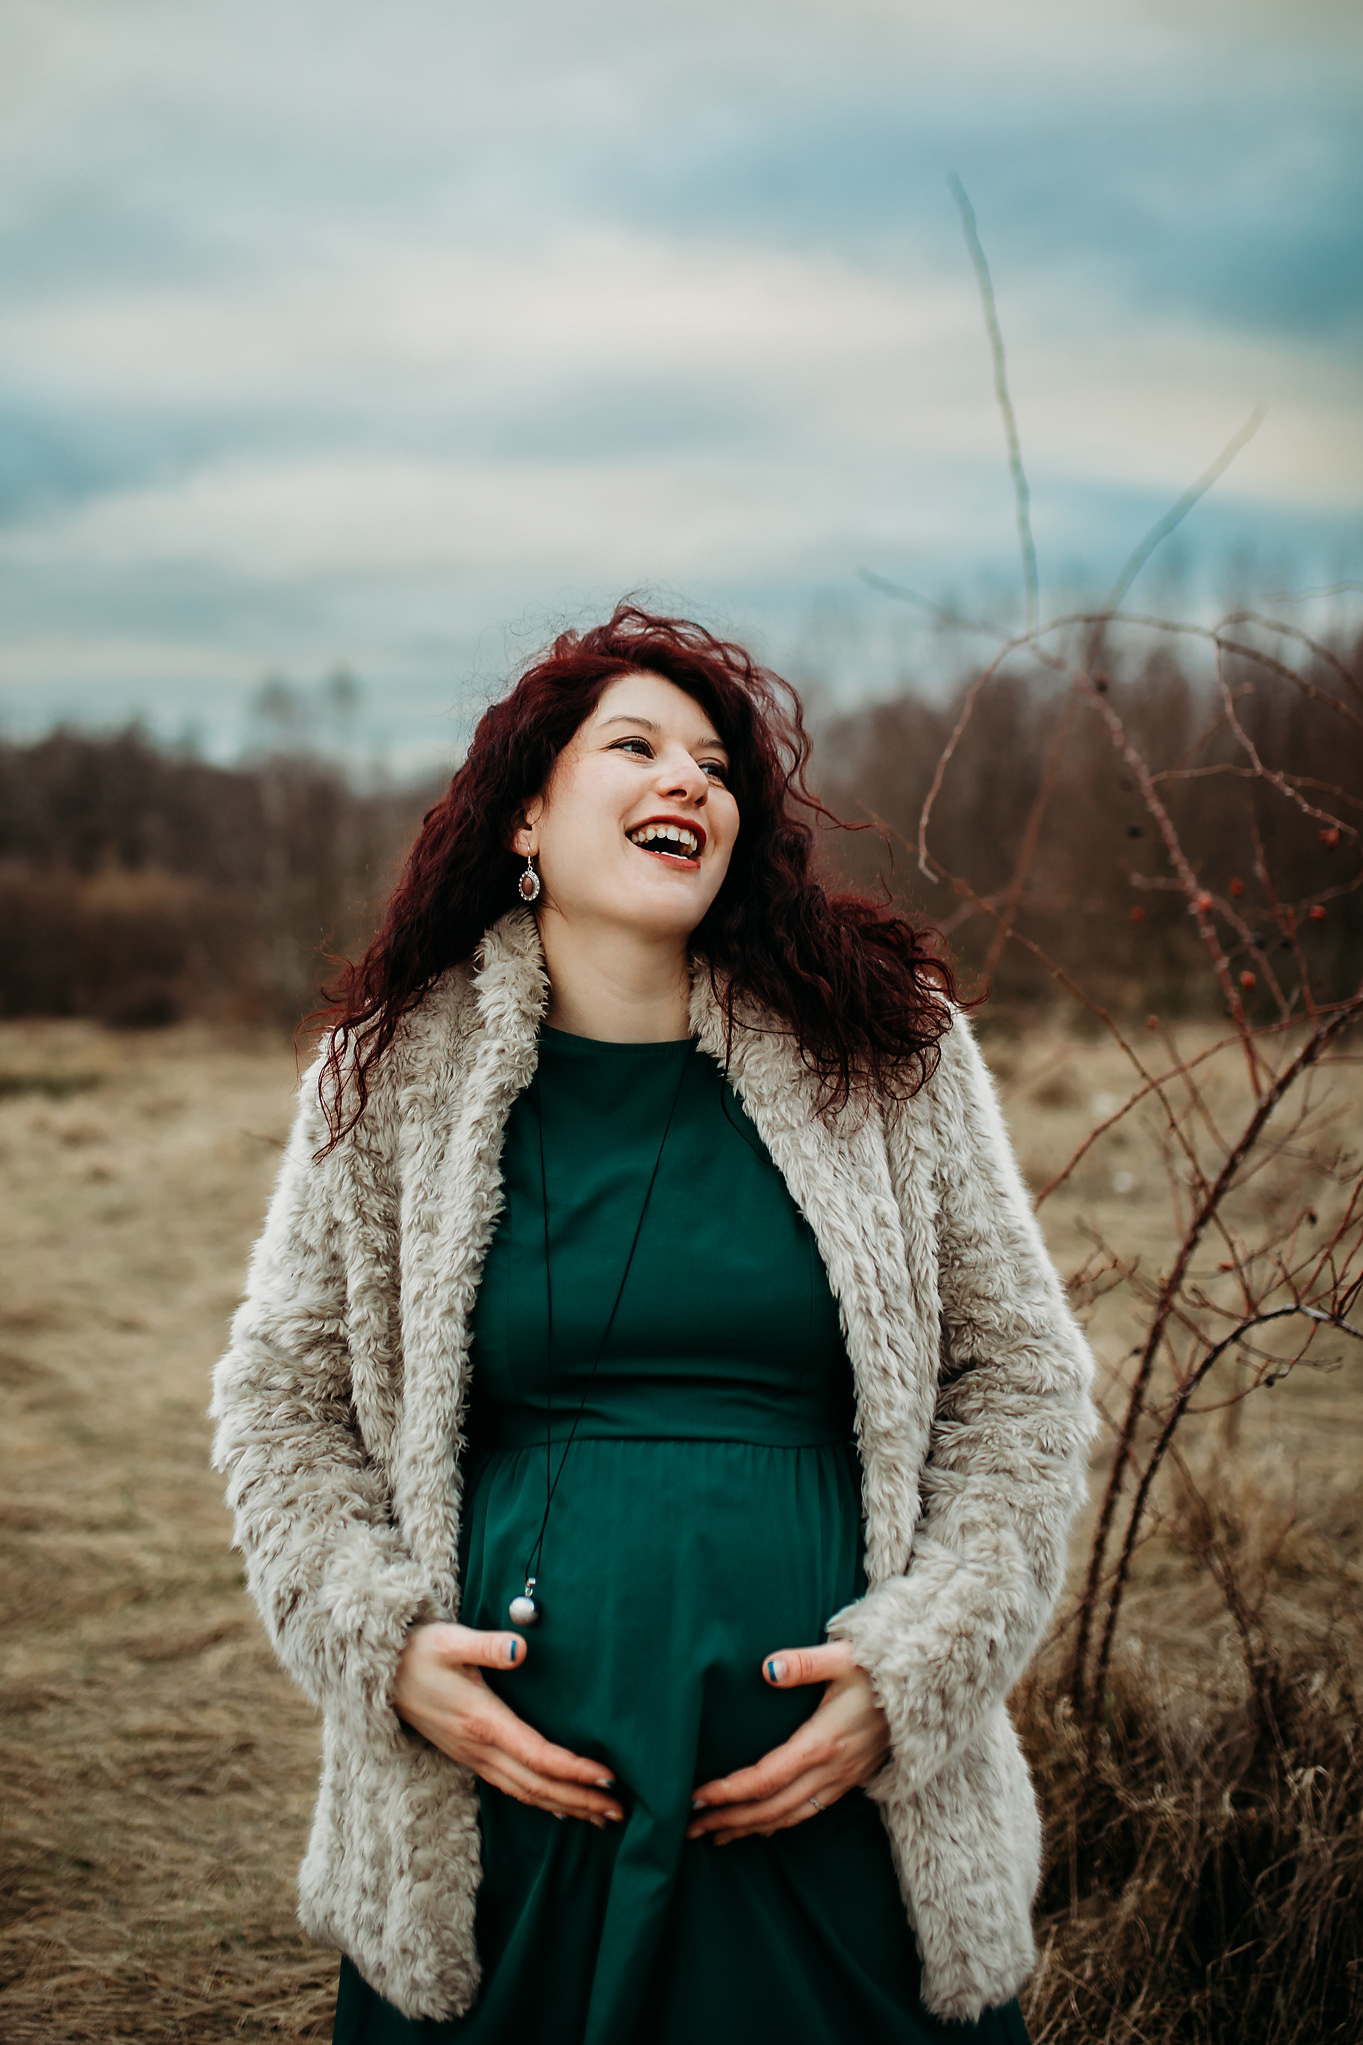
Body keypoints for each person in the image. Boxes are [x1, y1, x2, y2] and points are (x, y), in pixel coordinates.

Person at [212, 603, 1095, 2045]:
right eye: (634, 746)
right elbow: (281, 1399)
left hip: (835, 1808)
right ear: (526, 816)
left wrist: (919, 1671)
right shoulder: (391, 1076)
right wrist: (380, 1648)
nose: (689, 778)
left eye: (717, 766)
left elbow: (1021, 1381)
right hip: (502, 1811)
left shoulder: (888, 1054)